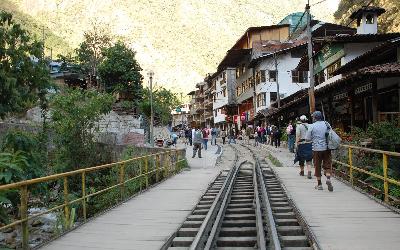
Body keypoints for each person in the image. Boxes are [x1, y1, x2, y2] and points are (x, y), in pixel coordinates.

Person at [306, 111, 334, 191]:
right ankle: (328, 178)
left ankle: (319, 185)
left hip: (316, 149)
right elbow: (331, 134)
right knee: (327, 165)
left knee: (317, 166)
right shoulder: (327, 124)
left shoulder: (312, 126)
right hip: (327, 148)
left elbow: (308, 138)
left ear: (315, 118)